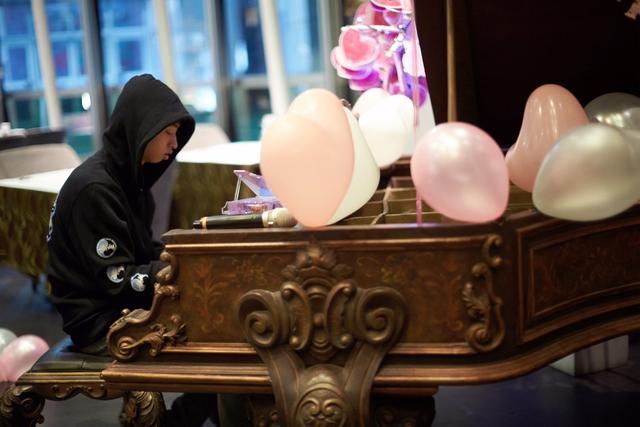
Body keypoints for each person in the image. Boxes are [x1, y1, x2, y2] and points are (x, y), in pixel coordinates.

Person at [47, 74, 217, 426]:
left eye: (176, 134)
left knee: (222, 328)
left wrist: (185, 258)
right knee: (218, 342)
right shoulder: (96, 188)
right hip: (98, 322)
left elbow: (146, 250)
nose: (174, 143)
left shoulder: (131, 179)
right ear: (142, 128)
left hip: (119, 305)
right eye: (167, 132)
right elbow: (118, 279)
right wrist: (179, 271)